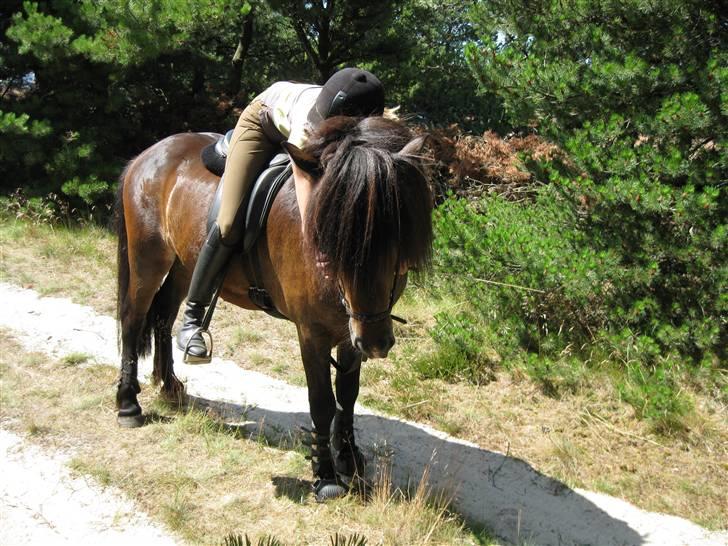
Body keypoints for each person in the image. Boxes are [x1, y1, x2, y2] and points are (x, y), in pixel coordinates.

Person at [176, 67, 385, 363]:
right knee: (228, 221)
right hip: (262, 122)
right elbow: (305, 182)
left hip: (325, 137)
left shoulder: (375, 125)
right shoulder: (309, 120)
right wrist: (320, 244)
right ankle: (192, 321)